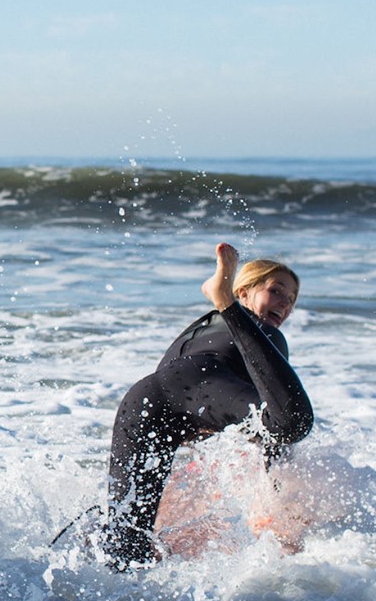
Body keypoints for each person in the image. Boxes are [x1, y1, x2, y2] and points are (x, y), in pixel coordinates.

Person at [102, 241, 314, 566]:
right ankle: (221, 292)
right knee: (293, 423)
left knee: (124, 547)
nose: (284, 303)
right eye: (276, 290)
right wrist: (280, 503)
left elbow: (175, 384)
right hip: (194, 386)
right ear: (243, 291)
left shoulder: (200, 329)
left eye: (291, 300)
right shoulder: (265, 334)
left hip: (142, 399)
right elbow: (277, 423)